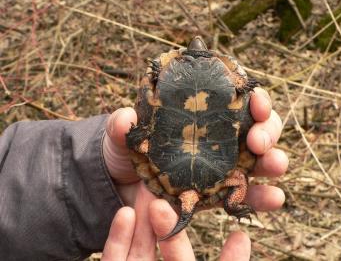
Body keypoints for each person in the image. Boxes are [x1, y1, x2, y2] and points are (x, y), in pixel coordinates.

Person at [0, 88, 288, 260]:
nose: (188, 203)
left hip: (170, 168)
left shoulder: (161, 175)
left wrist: (93, 171)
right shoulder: (228, 179)